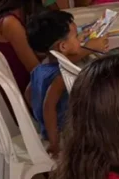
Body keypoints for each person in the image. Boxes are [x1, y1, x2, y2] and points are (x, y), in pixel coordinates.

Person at [24, 11, 107, 156]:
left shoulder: (41, 68)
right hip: (65, 134)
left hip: (50, 126)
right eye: (76, 36)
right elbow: (48, 107)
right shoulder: (60, 76)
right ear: (63, 47)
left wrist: (40, 119)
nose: (79, 40)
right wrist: (55, 142)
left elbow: (28, 93)